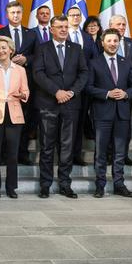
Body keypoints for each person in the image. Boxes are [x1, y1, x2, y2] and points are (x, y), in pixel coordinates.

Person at [32, 15, 88, 199]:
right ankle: (45, 185)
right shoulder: (42, 49)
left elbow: (83, 73)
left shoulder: (76, 49)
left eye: (66, 26)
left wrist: (71, 92)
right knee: (47, 147)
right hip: (48, 104)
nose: (64, 30)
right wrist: (57, 91)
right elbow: (38, 73)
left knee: (67, 147)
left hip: (71, 104)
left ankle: (65, 184)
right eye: (59, 27)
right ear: (51, 29)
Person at [86, 29, 132, 198]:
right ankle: (100, 185)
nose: (112, 44)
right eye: (109, 40)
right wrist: (107, 93)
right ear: (102, 42)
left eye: (115, 41)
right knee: (101, 152)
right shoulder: (94, 62)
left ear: (118, 42)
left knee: (120, 152)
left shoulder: (126, 61)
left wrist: (126, 94)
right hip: (102, 113)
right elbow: (88, 87)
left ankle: (119, 184)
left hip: (122, 113)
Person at [0, 1, 38, 165]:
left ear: (22, 14)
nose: (15, 15)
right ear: (7, 15)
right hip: (2, 87)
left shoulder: (31, 33)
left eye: (18, 12)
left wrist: (26, 59)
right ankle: (3, 155)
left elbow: (38, 56)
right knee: (3, 122)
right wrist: (6, 58)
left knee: (23, 119)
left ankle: (22, 154)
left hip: (24, 85)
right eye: (12, 12)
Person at [0, 36, 29, 199]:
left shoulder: (21, 70)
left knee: (12, 154)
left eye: (4, 48)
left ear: (11, 50)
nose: (1, 51)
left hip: (14, 113)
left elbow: (27, 92)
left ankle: (11, 187)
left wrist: (22, 95)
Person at [108, 14, 132, 166]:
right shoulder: (103, 42)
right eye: (118, 24)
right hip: (107, 92)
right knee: (108, 124)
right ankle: (109, 154)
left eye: (123, 24)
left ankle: (123, 154)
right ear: (110, 26)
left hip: (127, 92)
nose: (121, 27)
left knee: (125, 124)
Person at [65, 6, 96, 166]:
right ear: (67, 17)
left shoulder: (87, 37)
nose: (75, 18)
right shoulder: (61, 35)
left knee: (78, 122)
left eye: (78, 15)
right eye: (72, 15)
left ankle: (76, 155)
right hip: (64, 87)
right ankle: (64, 156)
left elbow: (94, 60)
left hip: (83, 87)